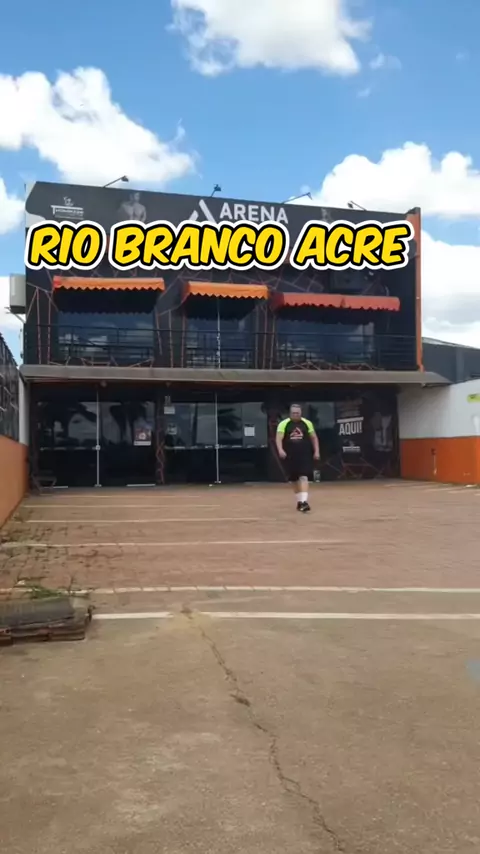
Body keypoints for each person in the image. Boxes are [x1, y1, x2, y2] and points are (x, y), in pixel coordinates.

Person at [276, 404, 320, 512]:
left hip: (304, 455)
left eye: (297, 413)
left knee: (304, 477)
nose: (296, 415)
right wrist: (280, 450)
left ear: (301, 413)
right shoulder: (283, 424)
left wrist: (316, 451)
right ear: (290, 413)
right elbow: (279, 438)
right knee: (293, 479)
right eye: (293, 413)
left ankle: (304, 502)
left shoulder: (307, 423)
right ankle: (300, 501)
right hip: (290, 456)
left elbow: (314, 437)